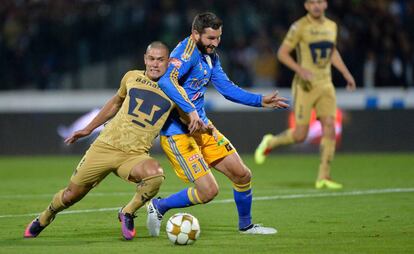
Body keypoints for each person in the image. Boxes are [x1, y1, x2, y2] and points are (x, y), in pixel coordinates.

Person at [24, 41, 198, 240]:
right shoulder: (132, 77)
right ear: (145, 59)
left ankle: (127, 212)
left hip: (134, 155)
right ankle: (45, 217)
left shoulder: (177, 92)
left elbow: (190, 119)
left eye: (160, 60)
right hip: (105, 147)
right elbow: (115, 103)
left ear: (169, 62)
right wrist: (88, 129)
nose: (155, 64)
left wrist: (198, 122)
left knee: (155, 176)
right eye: (151, 59)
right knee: (71, 195)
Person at [146, 12, 289, 236]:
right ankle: (159, 206)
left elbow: (227, 89)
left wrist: (260, 101)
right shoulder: (186, 53)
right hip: (178, 133)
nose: (215, 43)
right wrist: (191, 112)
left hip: (203, 128)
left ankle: (246, 226)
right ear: (195, 34)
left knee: (242, 175)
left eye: (218, 37)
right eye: (210, 38)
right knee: (208, 191)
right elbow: (166, 80)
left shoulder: (211, 57)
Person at [255, 0, 356, 189]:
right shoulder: (299, 27)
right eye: (312, 2)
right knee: (301, 135)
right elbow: (282, 53)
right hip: (305, 86)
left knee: (330, 126)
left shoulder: (332, 26)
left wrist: (345, 73)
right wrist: (300, 70)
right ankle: (271, 141)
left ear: (325, 4)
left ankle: (323, 176)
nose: (316, 6)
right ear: (307, 6)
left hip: (326, 84)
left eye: (319, 2)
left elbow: (332, 51)